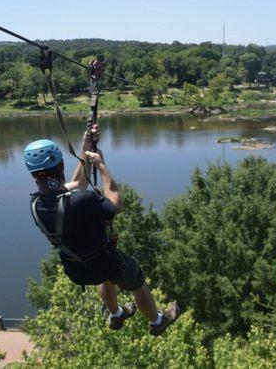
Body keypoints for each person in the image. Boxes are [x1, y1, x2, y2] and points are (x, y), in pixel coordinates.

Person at [24, 125, 179, 335]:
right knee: (137, 282)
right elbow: (116, 204)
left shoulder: (36, 205)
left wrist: (87, 146)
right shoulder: (81, 200)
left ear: (33, 173)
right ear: (61, 165)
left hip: (77, 270)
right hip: (104, 262)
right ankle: (157, 321)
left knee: (104, 277)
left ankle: (116, 314)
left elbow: (78, 183)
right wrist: (102, 167)